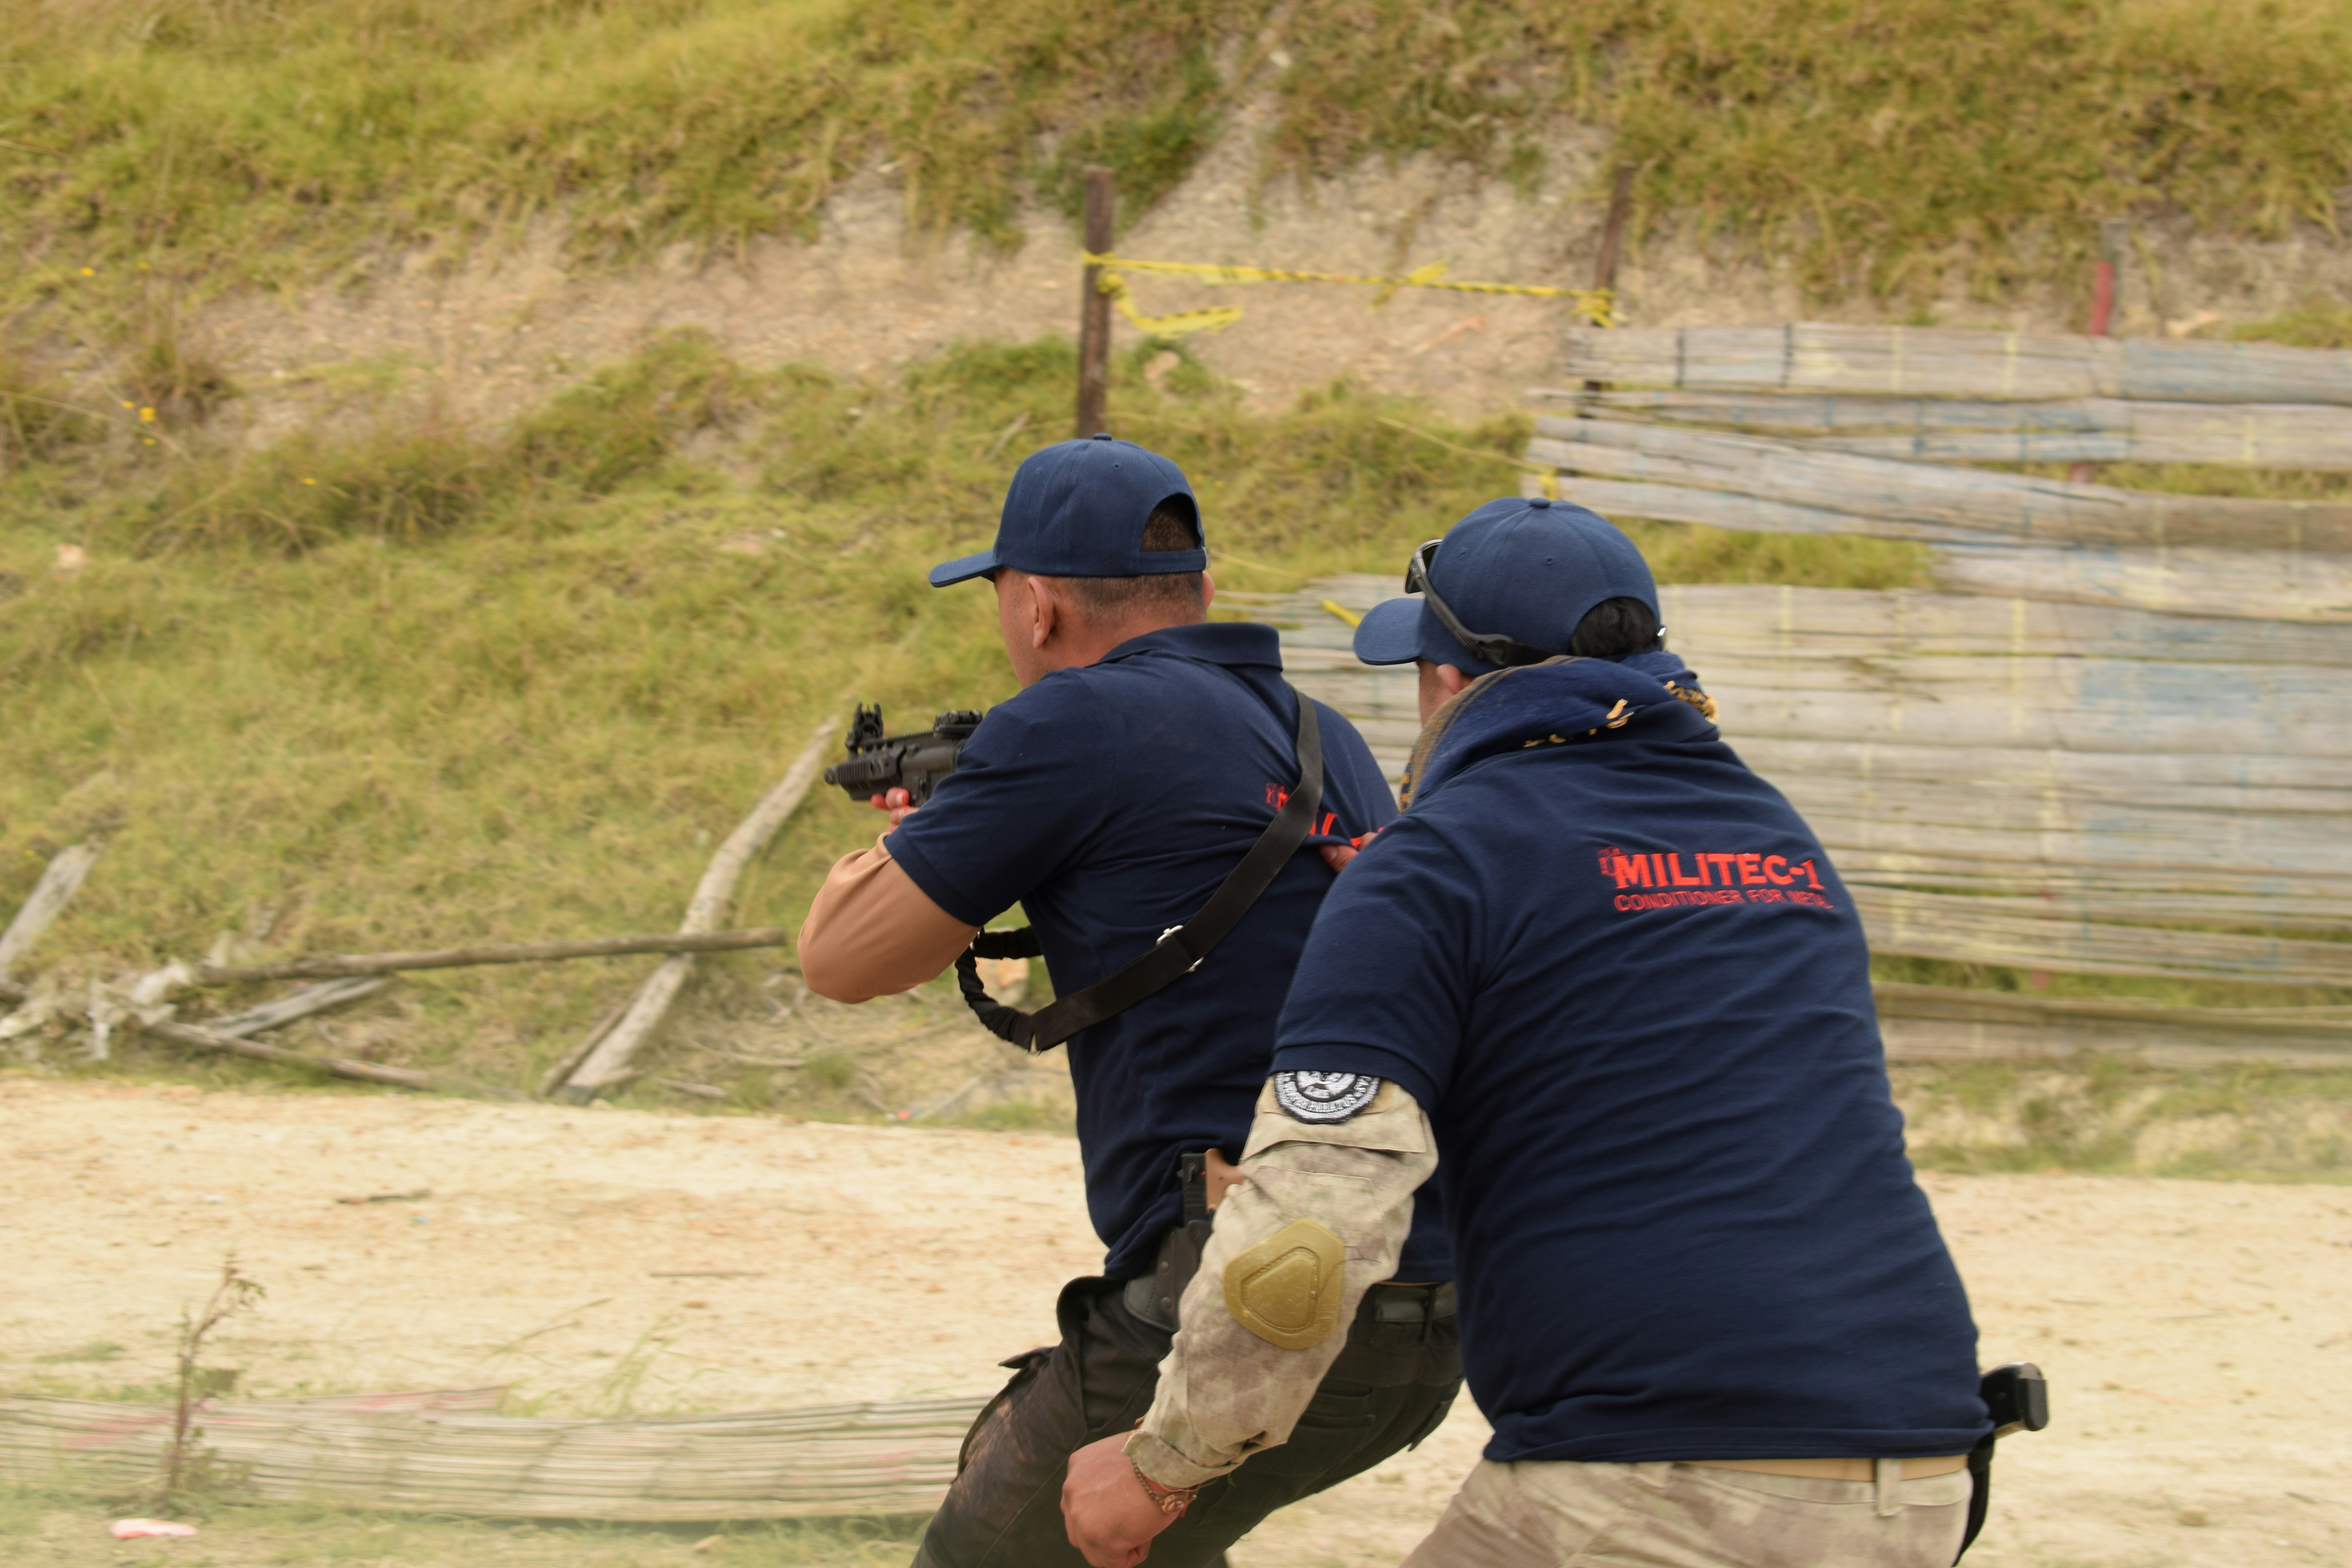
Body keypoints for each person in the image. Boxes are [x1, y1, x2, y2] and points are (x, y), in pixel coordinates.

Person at [1061, 496, 1993, 1568]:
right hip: (1922, 1458)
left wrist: (1166, 1458)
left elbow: (1309, 1234)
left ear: (1450, 680)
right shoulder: (1777, 842)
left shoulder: (1440, 865)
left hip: (1657, 1475)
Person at [796, 434, 1462, 1568]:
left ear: (1042, 610)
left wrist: (922, 839)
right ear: (1199, 590)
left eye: (1005, 601)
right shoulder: (1327, 736)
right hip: (1423, 1298)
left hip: (1249, 1292)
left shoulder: (1068, 724)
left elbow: (844, 964)